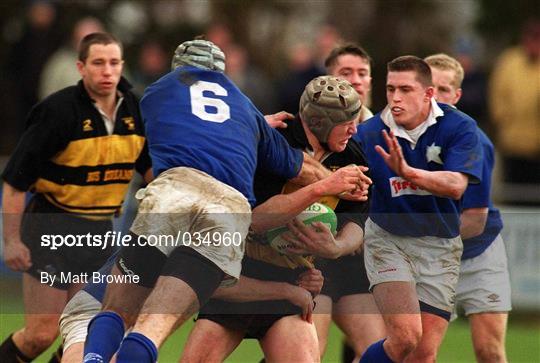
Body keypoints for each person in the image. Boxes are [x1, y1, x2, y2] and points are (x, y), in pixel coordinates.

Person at [82, 39, 370, 363]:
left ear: (178, 68)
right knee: (152, 328)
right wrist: (339, 185)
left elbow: (122, 139)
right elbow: (299, 168)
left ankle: (94, 356)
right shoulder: (245, 107)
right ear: (222, 72)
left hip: (176, 190)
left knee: (118, 308)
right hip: (229, 209)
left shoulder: (156, 90)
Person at [181, 75, 370, 363]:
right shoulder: (273, 143)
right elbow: (256, 219)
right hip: (239, 277)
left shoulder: (350, 156)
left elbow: (357, 220)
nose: (354, 130)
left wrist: (336, 247)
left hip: (295, 284)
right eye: (347, 123)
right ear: (321, 122)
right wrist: (322, 187)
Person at [0, 32, 152, 363]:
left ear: (122, 65)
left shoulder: (137, 111)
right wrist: (11, 240)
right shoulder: (58, 111)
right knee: (42, 334)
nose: (107, 71)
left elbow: (152, 170)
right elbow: (14, 181)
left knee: (85, 332)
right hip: (50, 228)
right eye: (98, 63)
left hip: (99, 232)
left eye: (114, 63)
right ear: (81, 67)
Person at [356, 55, 483, 362]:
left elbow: (456, 185)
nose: (396, 98)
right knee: (405, 337)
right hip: (389, 239)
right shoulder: (369, 133)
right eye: (390, 89)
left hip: (440, 245)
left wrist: (408, 173)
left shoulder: (460, 127)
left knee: (423, 353)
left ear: (428, 94)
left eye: (406, 89)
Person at [58, 250, 323, 363]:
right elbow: (215, 285)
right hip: (100, 303)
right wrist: (288, 290)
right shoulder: (200, 222)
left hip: (140, 321)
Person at [426, 53, 511, 363]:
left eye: (444, 89)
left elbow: (474, 221)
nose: (435, 97)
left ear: (457, 96)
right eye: (429, 87)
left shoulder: (475, 140)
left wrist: (421, 241)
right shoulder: (397, 138)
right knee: (420, 350)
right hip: (429, 257)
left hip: (478, 251)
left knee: (489, 351)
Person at [315, 43, 385, 362]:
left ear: (371, 81)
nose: (355, 80)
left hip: (362, 258)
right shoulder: (308, 131)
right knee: (306, 350)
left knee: (381, 349)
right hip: (315, 256)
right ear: (326, 79)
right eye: (345, 73)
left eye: (362, 73)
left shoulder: (387, 133)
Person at [489, 19, 540, 198]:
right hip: (512, 144)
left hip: (537, 146)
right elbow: (497, 95)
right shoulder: (509, 61)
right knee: (513, 194)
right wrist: (504, 119)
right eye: (531, 38)